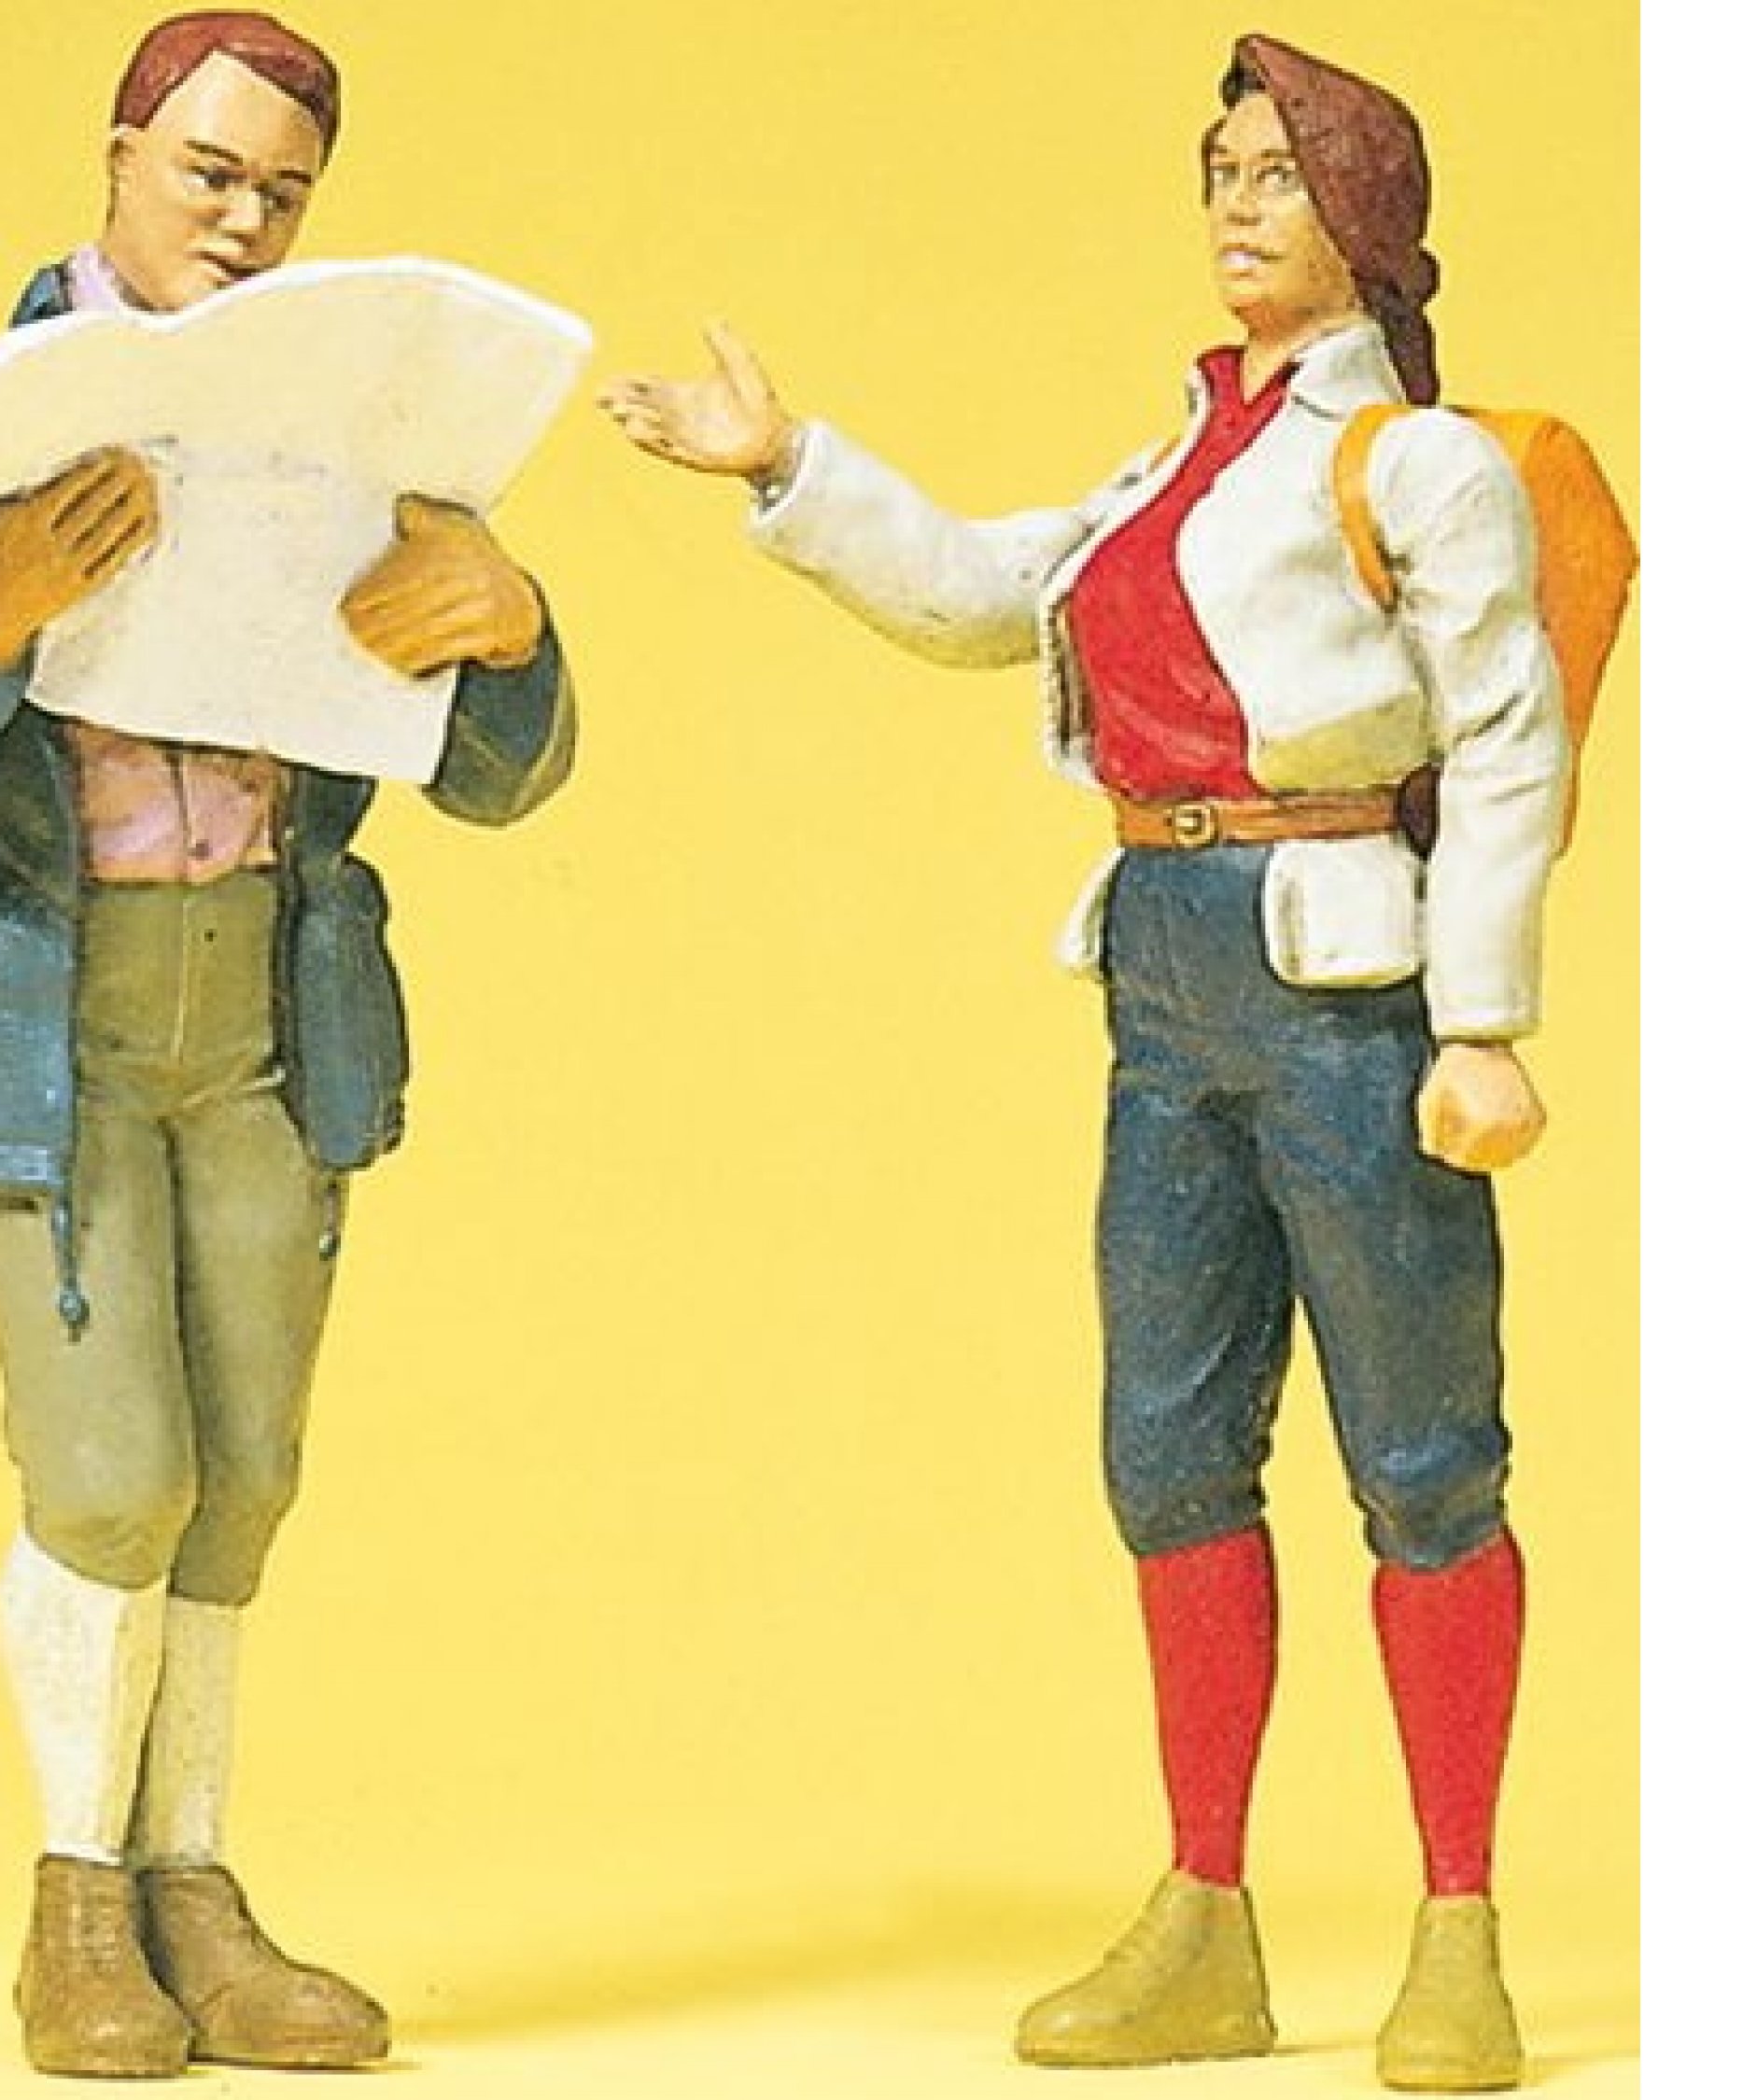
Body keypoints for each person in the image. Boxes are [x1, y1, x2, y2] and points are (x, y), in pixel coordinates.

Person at [601, 32, 1570, 2094]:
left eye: (1279, 175)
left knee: (1423, 1461)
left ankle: (1458, 1925)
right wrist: (786, 465)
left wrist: (1482, 1020)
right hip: (1162, 971)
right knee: (1168, 1453)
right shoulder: (1176, 461)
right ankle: (1203, 1911)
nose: (1237, 204)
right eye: (1220, 169)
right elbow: (983, 593)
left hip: (1345, 983)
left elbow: (1505, 737)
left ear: (1365, 218)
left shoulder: (1413, 464)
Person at [0, 11, 575, 2080]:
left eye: (284, 194)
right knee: (111, 1472)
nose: (241, 221)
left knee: (243, 1480)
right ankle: (75, 1898)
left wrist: (504, 628)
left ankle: (191, 1887)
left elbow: (501, 771)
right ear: (120, 154)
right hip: (46, 1018)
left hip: (271, 1014)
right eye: (209, 172)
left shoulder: (344, 450)